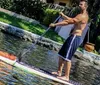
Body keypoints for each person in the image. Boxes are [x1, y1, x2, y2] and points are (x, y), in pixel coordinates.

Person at [49, 0, 89, 81]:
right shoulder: (80, 15)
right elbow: (72, 19)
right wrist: (63, 15)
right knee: (61, 54)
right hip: (72, 37)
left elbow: (68, 22)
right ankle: (59, 72)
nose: (79, 6)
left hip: (75, 37)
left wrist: (55, 24)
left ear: (85, 6)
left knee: (67, 57)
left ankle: (66, 77)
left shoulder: (83, 16)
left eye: (81, 4)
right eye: (79, 4)